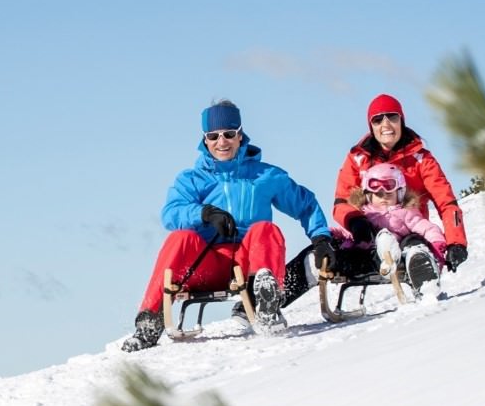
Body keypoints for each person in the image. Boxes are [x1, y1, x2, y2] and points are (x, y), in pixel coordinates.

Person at [122, 100, 334, 352]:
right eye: (213, 136)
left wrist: (320, 238)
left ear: (240, 135)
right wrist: (204, 213)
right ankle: (149, 322)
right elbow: (170, 213)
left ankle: (264, 301)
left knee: (265, 229)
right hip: (207, 264)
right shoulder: (192, 179)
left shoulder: (264, 176)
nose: (221, 142)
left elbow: (305, 204)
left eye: (228, 134)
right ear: (205, 139)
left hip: (249, 264)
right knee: (179, 238)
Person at [284, 92, 467, 303]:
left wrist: (456, 242)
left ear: (402, 120)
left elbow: (446, 202)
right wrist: (355, 221)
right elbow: (342, 201)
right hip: (366, 241)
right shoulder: (358, 158)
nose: (386, 124)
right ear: (371, 125)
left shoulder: (420, 160)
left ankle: (424, 278)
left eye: (392, 117)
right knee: (321, 250)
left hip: (405, 235)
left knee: (415, 245)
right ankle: (266, 300)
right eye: (378, 119)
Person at [327, 162, 449, 293]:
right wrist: (331, 234)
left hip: (399, 259)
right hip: (371, 259)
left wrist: (437, 244)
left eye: (389, 194)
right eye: (378, 194)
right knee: (352, 249)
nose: (383, 198)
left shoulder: (406, 212)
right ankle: (329, 265)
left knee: (413, 240)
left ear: (400, 194)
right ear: (368, 195)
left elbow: (427, 228)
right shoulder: (363, 215)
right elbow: (348, 234)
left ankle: (420, 264)